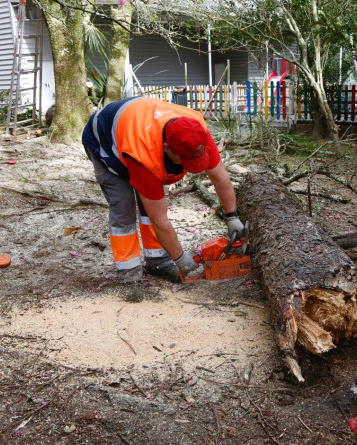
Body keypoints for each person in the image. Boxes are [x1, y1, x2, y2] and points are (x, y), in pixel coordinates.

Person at [82, 97, 245, 302]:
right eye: (186, 160)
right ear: (167, 148)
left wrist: (232, 216)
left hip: (135, 127)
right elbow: (160, 220)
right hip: (105, 144)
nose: (191, 165)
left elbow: (220, 177)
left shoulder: (196, 132)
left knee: (149, 205)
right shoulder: (144, 153)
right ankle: (129, 274)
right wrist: (181, 259)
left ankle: (158, 261)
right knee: (124, 206)